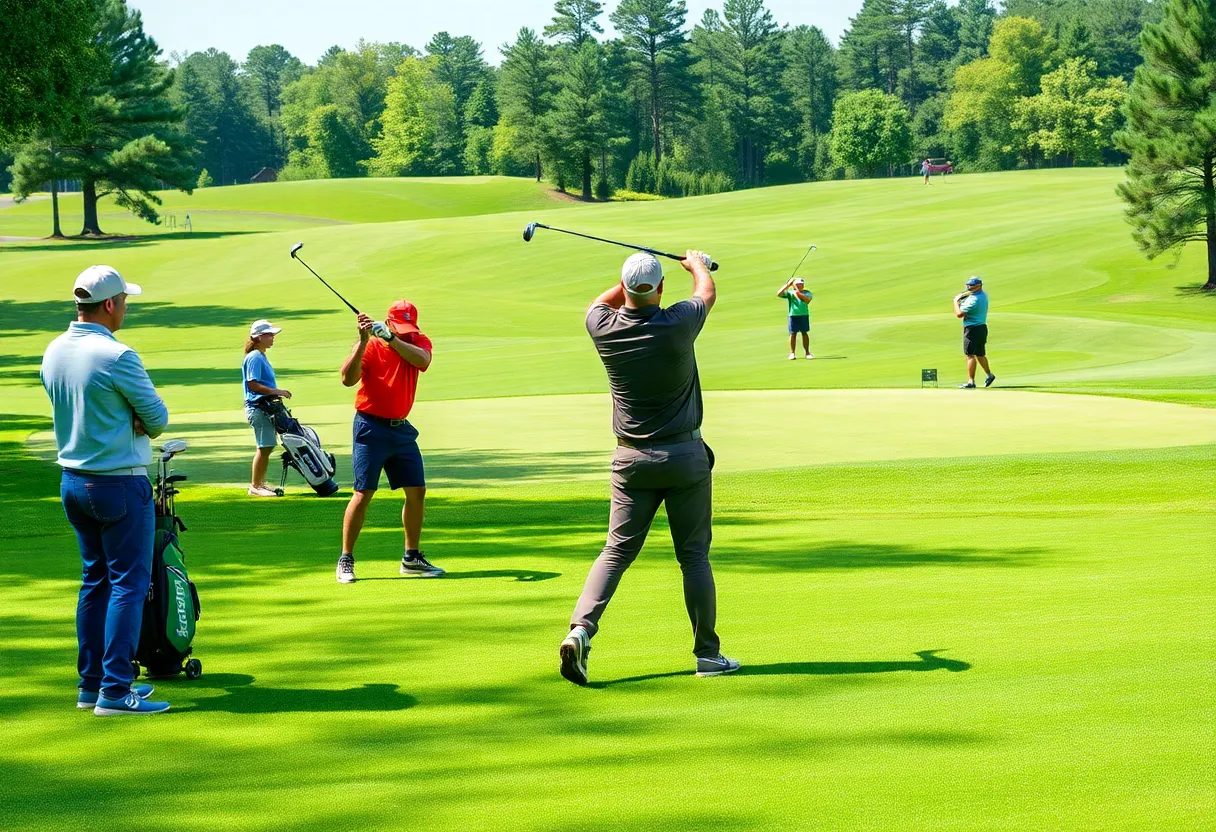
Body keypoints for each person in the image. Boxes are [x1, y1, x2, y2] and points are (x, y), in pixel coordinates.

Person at [560, 249, 739, 686]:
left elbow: (599, 303)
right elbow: (707, 291)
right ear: (660, 289)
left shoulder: (602, 327)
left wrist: (627, 282)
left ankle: (581, 630)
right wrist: (696, 263)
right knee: (693, 556)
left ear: (625, 290)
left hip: (631, 460)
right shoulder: (677, 322)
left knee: (616, 551)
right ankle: (708, 656)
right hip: (684, 458)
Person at [40, 265, 171, 715]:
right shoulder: (118, 355)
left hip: (72, 482)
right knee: (127, 585)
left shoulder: (53, 350)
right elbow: (156, 419)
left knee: (94, 582)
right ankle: (115, 691)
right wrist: (132, 418)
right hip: (118, 483)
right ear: (111, 304)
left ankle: (91, 685)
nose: (127, 309)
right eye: (125, 302)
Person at [335, 301, 441, 583]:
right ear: (389, 320)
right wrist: (363, 340)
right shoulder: (371, 346)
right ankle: (346, 559)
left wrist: (392, 339)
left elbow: (422, 360)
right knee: (363, 493)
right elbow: (347, 379)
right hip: (370, 427)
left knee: (417, 491)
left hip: (401, 430)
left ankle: (411, 558)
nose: (406, 333)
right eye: (399, 328)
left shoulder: (417, 342)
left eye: (409, 329)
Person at [242, 319, 292, 497]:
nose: (272, 338)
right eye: (269, 335)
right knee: (264, 446)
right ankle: (255, 486)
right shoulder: (255, 357)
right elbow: (253, 385)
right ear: (258, 337)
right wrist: (277, 391)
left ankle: (260, 483)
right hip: (258, 407)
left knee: (267, 446)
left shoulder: (260, 355)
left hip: (265, 408)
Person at [954, 277, 995, 388]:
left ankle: (971, 382)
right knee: (980, 354)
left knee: (970, 355)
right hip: (981, 327)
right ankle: (989, 375)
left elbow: (959, 314)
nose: (969, 287)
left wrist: (955, 302)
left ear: (979, 286)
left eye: (971, 286)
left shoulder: (974, 300)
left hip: (972, 329)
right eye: (968, 285)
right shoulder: (982, 295)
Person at [777, 276, 813, 359]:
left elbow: (806, 299)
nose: (800, 286)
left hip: (804, 315)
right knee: (793, 334)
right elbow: (779, 293)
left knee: (804, 333)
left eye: (801, 284)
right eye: (798, 284)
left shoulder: (807, 292)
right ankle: (792, 353)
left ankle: (807, 353)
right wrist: (787, 285)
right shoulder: (790, 293)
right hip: (793, 315)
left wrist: (795, 288)